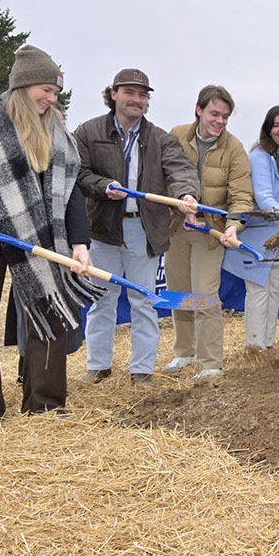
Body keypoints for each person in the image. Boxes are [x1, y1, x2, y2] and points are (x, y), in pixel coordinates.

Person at [0, 44, 102, 425]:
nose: (52, 98)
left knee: (51, 315)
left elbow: (69, 188)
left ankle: (45, 404)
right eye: (46, 89)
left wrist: (79, 243)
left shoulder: (56, 128)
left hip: (39, 238)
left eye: (56, 92)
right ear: (23, 86)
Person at [74, 68, 200, 386]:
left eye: (143, 95)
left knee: (143, 301)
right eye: (129, 92)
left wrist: (187, 194)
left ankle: (142, 371)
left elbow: (181, 170)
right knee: (102, 299)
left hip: (144, 231)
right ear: (113, 94)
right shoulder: (88, 132)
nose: (137, 99)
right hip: (103, 230)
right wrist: (103, 186)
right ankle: (98, 366)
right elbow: (79, 174)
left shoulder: (161, 138)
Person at [163, 85, 253, 379]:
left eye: (225, 116)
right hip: (177, 227)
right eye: (215, 114)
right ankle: (184, 353)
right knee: (178, 292)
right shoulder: (176, 135)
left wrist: (233, 226)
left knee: (204, 296)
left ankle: (210, 364)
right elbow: (163, 176)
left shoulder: (235, 148)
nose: (220, 121)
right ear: (199, 110)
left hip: (210, 232)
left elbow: (241, 195)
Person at [234, 105, 279, 351]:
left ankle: (269, 345)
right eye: (276, 125)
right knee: (258, 291)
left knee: (274, 288)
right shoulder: (259, 157)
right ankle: (255, 348)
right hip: (261, 235)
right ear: (268, 129)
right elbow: (264, 196)